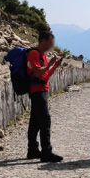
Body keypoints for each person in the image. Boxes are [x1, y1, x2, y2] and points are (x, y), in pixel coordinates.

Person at [27, 29, 64, 163]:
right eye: (50, 42)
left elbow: (45, 75)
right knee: (45, 121)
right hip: (37, 91)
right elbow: (37, 73)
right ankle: (46, 152)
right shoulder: (34, 53)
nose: (51, 45)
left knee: (35, 121)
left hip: (41, 89)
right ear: (43, 41)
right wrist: (49, 64)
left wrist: (54, 66)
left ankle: (32, 150)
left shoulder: (41, 55)